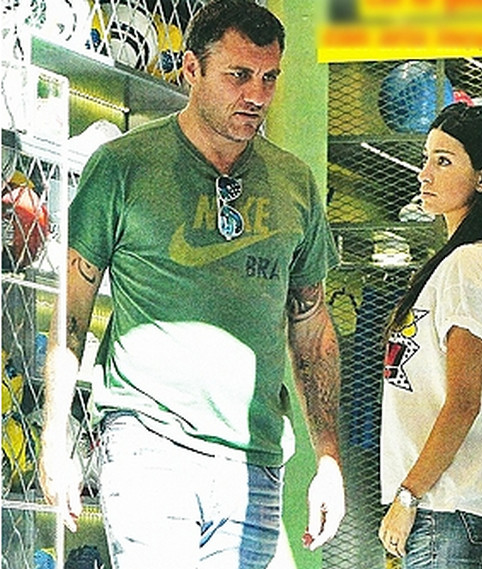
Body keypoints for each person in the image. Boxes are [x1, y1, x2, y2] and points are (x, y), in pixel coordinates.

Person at [39, 1, 345, 567]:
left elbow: (312, 329)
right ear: (191, 70)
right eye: (238, 75)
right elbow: (71, 311)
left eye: (269, 77)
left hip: (255, 458)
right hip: (148, 442)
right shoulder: (123, 166)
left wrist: (328, 458)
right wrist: (54, 436)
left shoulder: (294, 183)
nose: (256, 94)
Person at [378, 102, 482, 567]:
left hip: (447, 507)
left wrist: (408, 495)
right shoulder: (470, 259)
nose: (425, 174)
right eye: (426, 159)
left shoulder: (466, 266)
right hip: (454, 507)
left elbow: (464, 401)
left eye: (444, 161)